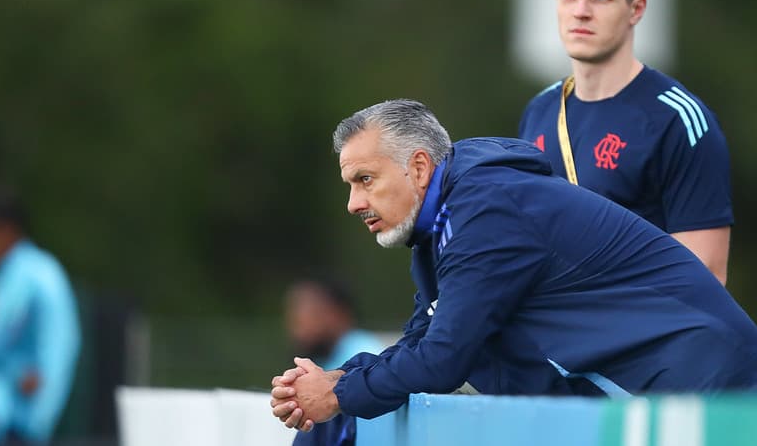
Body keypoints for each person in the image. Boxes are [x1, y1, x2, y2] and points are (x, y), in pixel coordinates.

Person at [269, 99, 757, 432]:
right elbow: (423, 339)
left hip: (707, 395)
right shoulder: (448, 220)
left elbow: (444, 358)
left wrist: (340, 396)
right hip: (672, 394)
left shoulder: (486, 211)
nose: (354, 203)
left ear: (418, 168)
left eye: (365, 180)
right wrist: (339, 377)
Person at [518, 0, 732, 284]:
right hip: (557, 335)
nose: (581, 11)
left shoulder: (679, 120)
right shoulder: (540, 110)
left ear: (636, 9)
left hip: (638, 336)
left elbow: (705, 276)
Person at [0, 186, 81, 445]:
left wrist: (37, 423)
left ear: (5, 232)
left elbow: (58, 349)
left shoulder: (42, 277)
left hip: (21, 418)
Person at [284, 279, 384, 446]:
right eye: (295, 314)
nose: (300, 323)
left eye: (311, 313)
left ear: (339, 314)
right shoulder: (322, 357)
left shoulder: (366, 353)